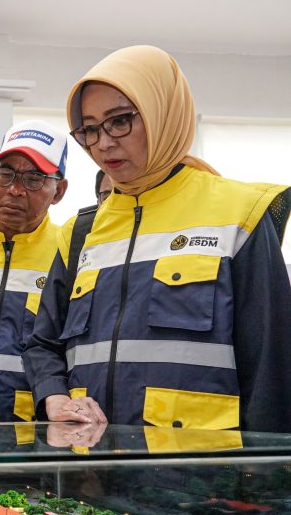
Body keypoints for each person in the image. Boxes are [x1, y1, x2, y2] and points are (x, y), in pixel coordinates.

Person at [23, 45, 291, 431]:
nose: (103, 143)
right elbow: (43, 345)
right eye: (90, 129)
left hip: (203, 464)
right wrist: (55, 396)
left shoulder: (240, 214)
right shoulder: (80, 233)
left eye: (119, 121)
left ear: (162, 113)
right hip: (94, 458)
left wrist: (264, 466)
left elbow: (271, 369)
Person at [0, 120, 68, 422]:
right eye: (6, 174)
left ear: (58, 191)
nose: (15, 190)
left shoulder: (68, 251)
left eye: (33, 179)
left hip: (34, 431)